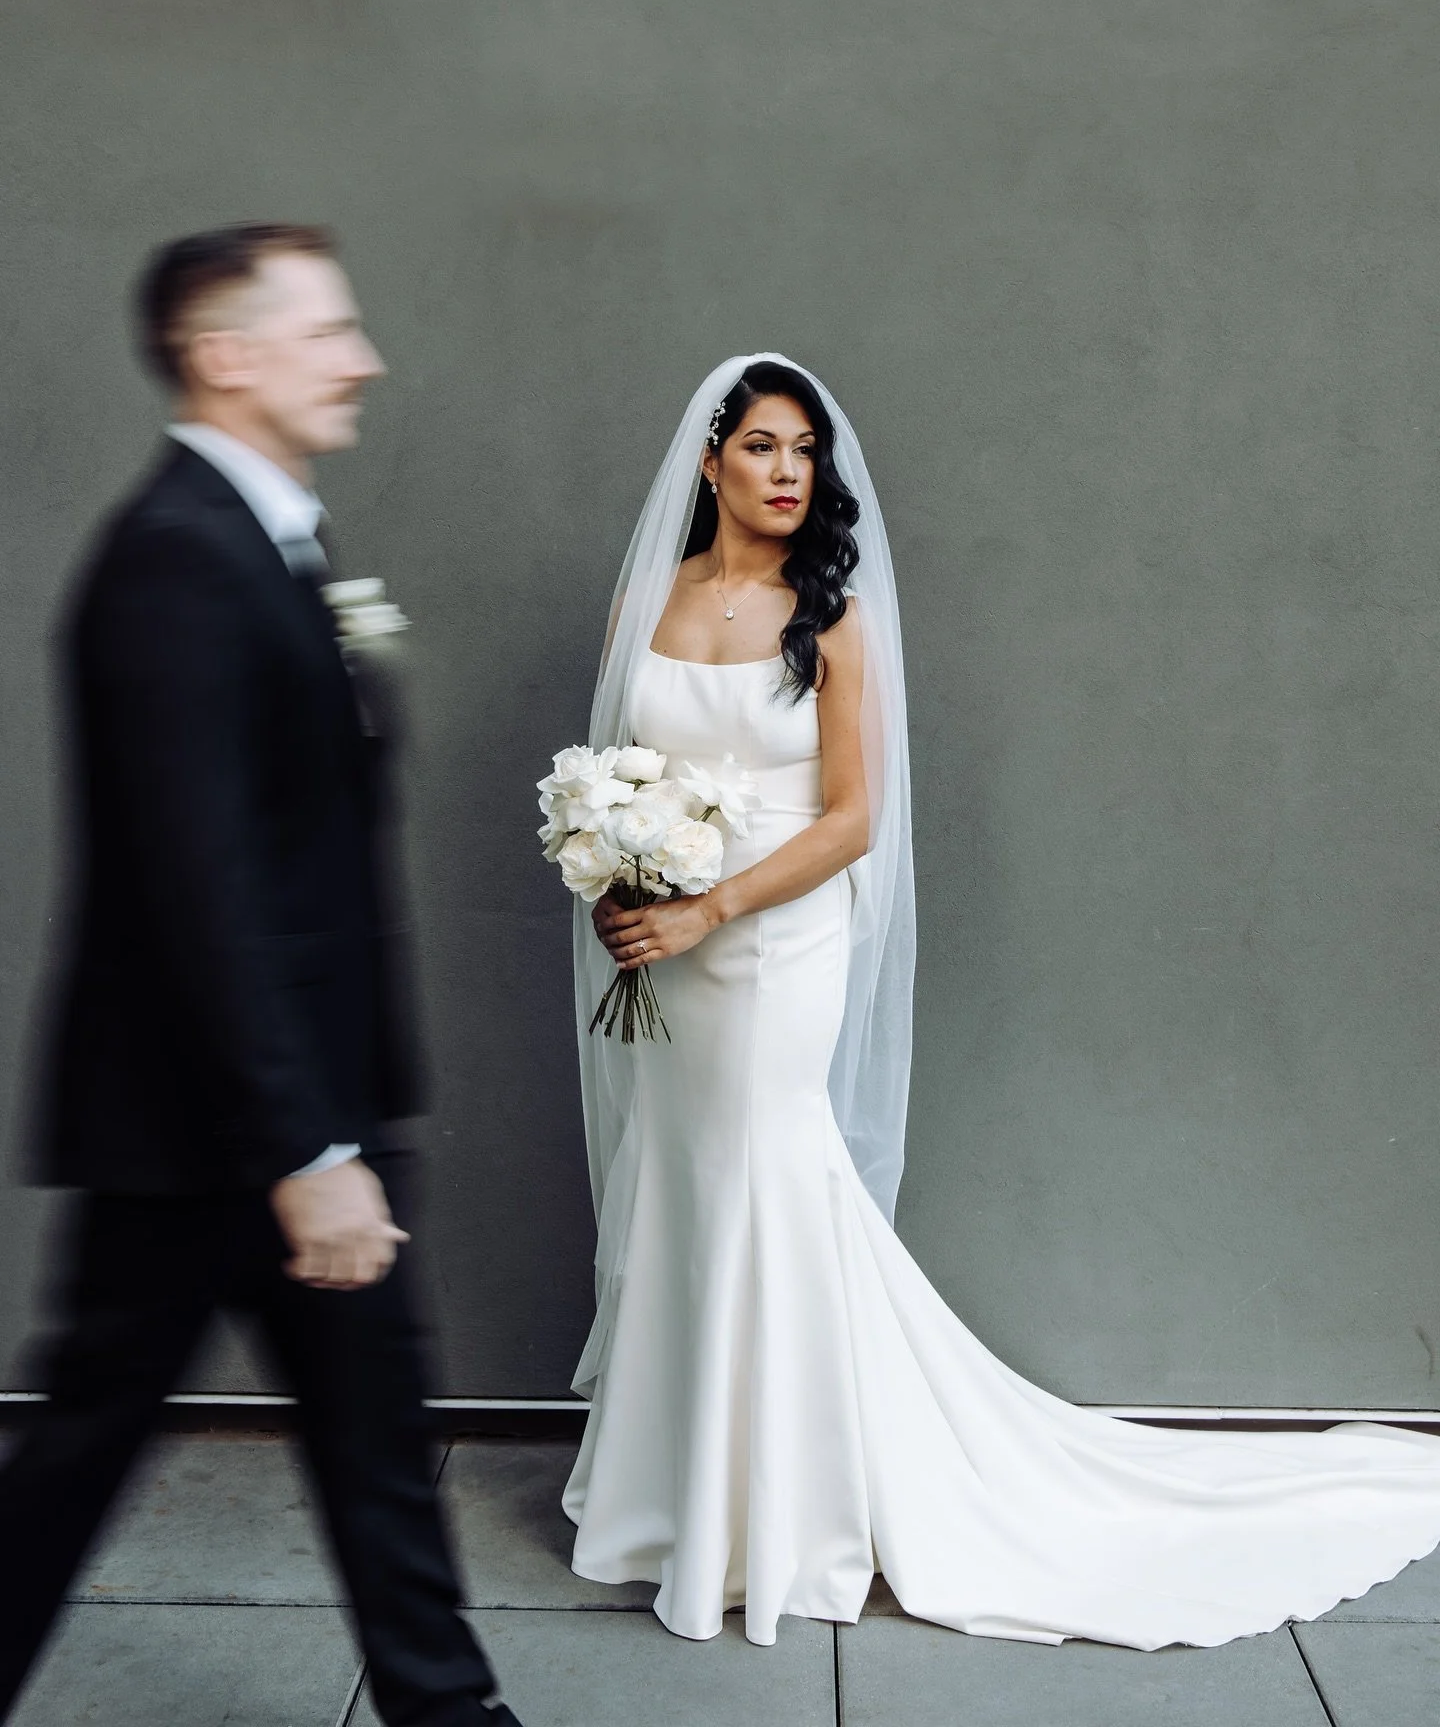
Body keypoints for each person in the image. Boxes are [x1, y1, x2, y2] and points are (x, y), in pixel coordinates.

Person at [562, 352, 1440, 1649]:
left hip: (778, 939)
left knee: (762, 1169)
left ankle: (790, 1513)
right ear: (709, 462)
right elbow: (620, 771)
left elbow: (855, 820)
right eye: (760, 448)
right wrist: (616, 879)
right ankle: (667, 1492)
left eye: (804, 449)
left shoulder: (836, 617)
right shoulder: (651, 597)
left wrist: (710, 907)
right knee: (685, 1176)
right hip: (668, 949)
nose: (789, 471)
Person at [0, 225, 521, 1726]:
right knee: (83, 1450)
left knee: (373, 1450)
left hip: (292, 1112)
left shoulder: (271, 539)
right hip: (212, 1134)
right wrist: (306, 1152)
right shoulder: (178, 559)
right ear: (225, 354)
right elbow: (200, 889)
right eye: (328, 331)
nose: (361, 358)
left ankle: (449, 1713)